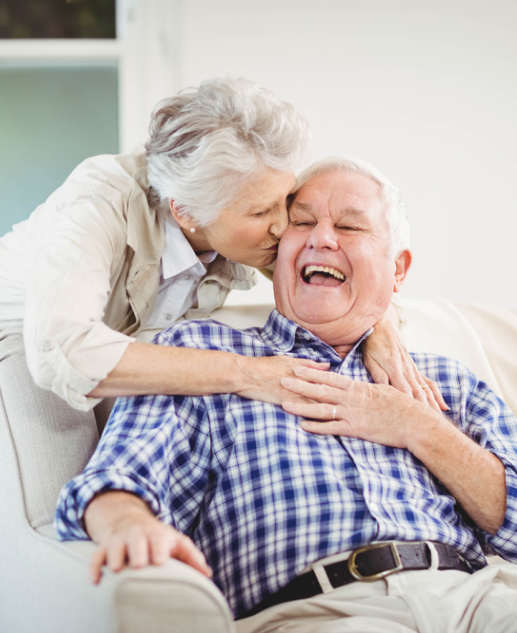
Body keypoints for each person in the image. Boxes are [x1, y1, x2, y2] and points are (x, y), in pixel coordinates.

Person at [55, 155, 517, 631]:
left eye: (350, 227)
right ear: (277, 251)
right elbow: (116, 480)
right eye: (301, 222)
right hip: (323, 609)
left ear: (397, 269)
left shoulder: (448, 382)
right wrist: (127, 525)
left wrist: (418, 427)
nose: (321, 237)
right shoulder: (198, 353)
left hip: (474, 597)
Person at [0, 77, 443, 414]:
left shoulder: (252, 185)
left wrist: (379, 328)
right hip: (22, 353)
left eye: (286, 203)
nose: (284, 227)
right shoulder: (99, 202)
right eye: (259, 214)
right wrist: (246, 373)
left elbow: (339, 268)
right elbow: (62, 351)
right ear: (186, 213)